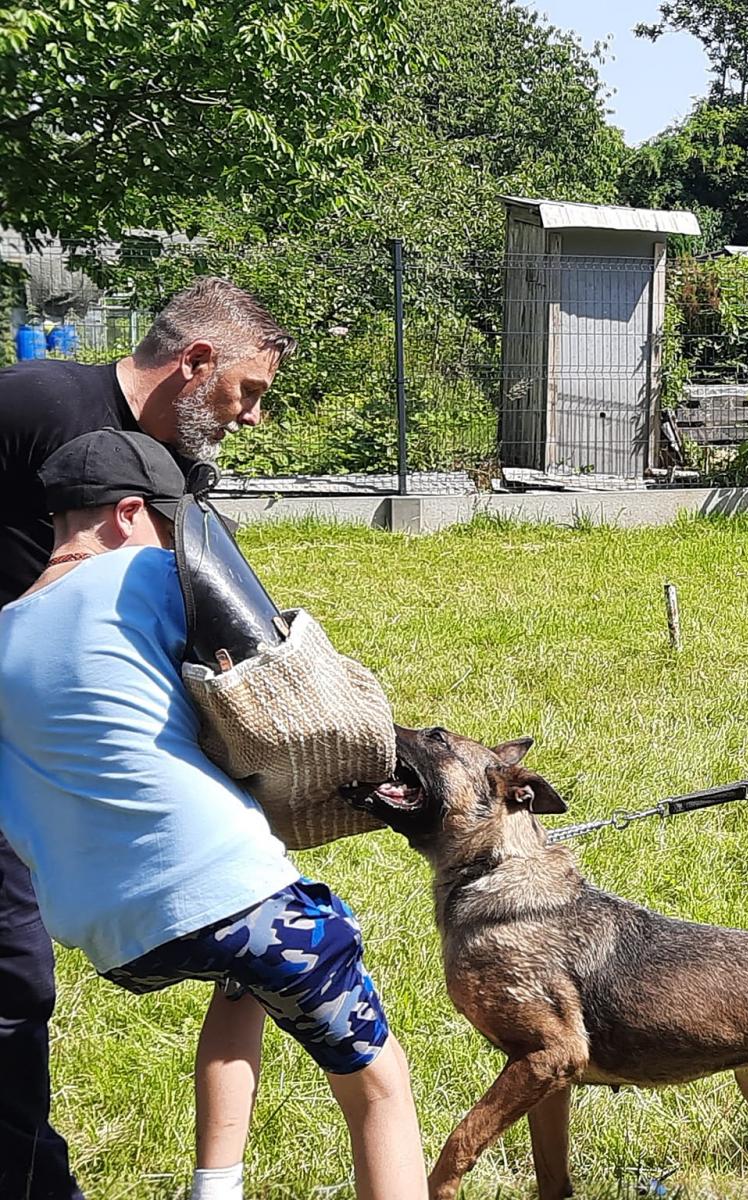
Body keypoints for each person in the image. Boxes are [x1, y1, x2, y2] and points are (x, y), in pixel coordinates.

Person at [0, 429, 428, 1200]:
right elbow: (280, 674)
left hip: (113, 937)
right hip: (230, 888)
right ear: (129, 513)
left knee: (244, 976)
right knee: (379, 1087)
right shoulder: (145, 573)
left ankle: (215, 1188)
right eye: (168, 523)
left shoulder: (3, 631)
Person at [0, 278, 292, 1198]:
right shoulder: (36, 402)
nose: (252, 417)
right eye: (248, 391)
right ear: (196, 361)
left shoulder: (176, 470)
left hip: (61, 755)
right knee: (13, 980)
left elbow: (217, 614)